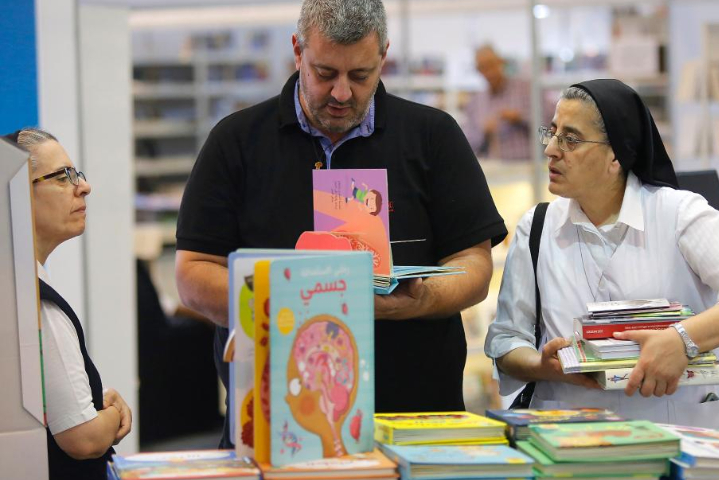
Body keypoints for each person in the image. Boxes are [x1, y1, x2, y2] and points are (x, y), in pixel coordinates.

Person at [175, 0, 507, 448]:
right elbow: (194, 273)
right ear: (298, 51)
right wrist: (299, 305)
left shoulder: (434, 136)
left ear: (384, 56)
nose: (342, 93)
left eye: (361, 75)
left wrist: (419, 299)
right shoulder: (235, 142)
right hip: (279, 421)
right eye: (325, 73)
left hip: (416, 422)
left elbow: (473, 263)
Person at [484, 79, 719, 431]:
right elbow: (506, 339)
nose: (551, 150)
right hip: (577, 439)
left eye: (571, 139)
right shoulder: (536, 227)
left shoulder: (679, 214)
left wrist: (681, 340)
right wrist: (543, 367)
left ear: (616, 155)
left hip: (685, 433)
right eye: (551, 133)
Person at [4, 128, 132, 480]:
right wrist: (115, 413)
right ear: (16, 191)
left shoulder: (13, 286)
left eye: (77, 174)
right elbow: (83, 439)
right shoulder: (36, 304)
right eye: (63, 177)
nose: (84, 187)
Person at [463, 44, 531, 161]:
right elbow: (469, 143)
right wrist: (484, 132)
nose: (489, 72)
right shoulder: (475, 102)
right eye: (483, 68)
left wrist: (520, 117)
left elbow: (549, 127)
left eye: (491, 65)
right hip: (494, 167)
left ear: (501, 62)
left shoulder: (527, 89)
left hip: (527, 164)